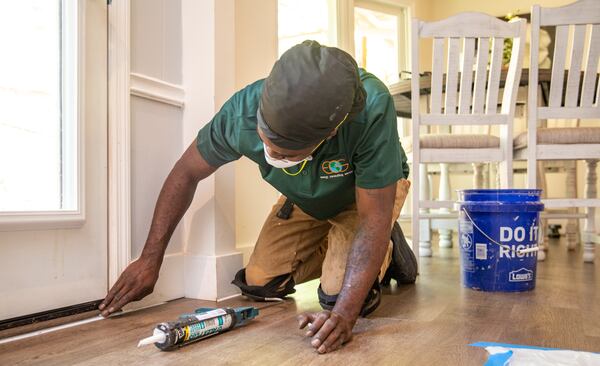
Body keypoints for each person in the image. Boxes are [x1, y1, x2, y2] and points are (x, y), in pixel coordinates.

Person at [99, 40, 417, 354]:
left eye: (284, 151)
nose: (270, 152)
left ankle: (386, 249)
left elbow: (372, 218)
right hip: (307, 196)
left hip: (367, 197)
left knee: (337, 296)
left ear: (329, 134)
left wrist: (345, 315)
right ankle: (348, 247)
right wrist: (150, 259)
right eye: (266, 139)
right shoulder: (242, 112)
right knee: (260, 281)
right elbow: (186, 173)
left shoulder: (371, 108)